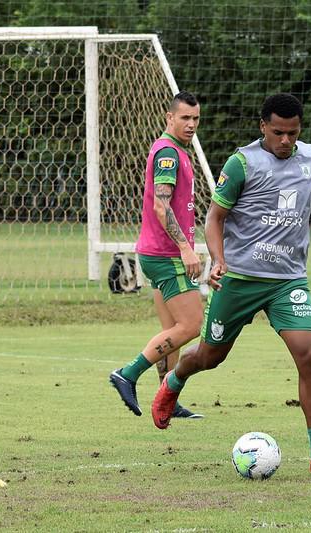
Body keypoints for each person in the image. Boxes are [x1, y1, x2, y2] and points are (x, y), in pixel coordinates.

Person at [150, 93, 311, 475]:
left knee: (310, 354)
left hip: (288, 280)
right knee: (209, 357)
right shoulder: (242, 163)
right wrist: (218, 260)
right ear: (263, 126)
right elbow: (215, 218)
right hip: (240, 278)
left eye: (293, 133)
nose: (285, 140)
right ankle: (175, 379)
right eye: (278, 132)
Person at [108, 91, 205, 420]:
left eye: (195, 118)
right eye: (185, 118)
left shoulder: (176, 150)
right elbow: (161, 207)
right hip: (167, 255)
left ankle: (168, 400)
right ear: (170, 117)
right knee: (191, 325)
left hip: (155, 252)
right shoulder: (168, 153)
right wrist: (186, 248)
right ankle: (127, 374)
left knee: (172, 331)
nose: (191, 124)